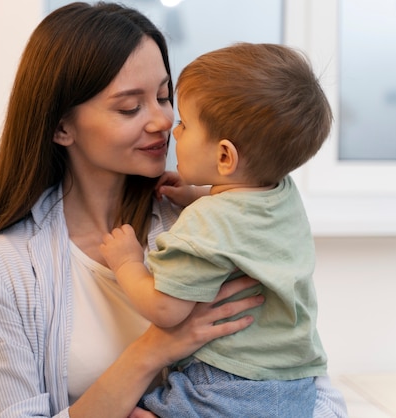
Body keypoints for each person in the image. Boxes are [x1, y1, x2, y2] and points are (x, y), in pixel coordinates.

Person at [0, 2, 348, 417]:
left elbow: (315, 394)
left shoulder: (219, 221)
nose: (164, 121)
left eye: (165, 97)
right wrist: (152, 350)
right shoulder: (4, 269)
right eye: (130, 107)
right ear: (61, 127)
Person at [100, 42, 334, 417]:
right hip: (298, 385)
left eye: (185, 124)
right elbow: (243, 219)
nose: (172, 130)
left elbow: (166, 308)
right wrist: (195, 192)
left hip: (228, 389)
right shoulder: (282, 193)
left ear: (225, 156)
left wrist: (127, 262)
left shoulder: (205, 223)